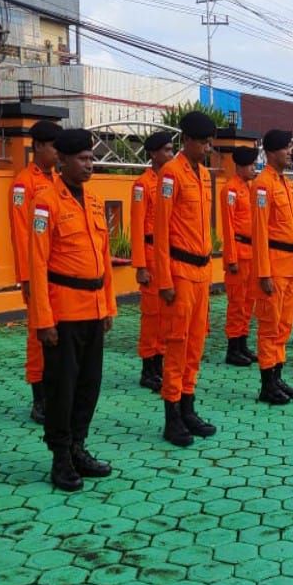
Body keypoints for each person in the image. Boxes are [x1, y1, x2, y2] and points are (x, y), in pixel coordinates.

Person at [27, 128, 114, 491]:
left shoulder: (93, 200)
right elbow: (37, 262)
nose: (89, 165)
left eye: (92, 158)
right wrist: (43, 320)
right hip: (63, 312)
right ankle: (60, 457)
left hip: (93, 309)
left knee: (88, 386)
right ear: (62, 162)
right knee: (62, 389)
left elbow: (105, 258)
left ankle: (79, 446)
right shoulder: (46, 203)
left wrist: (108, 305)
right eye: (81, 159)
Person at [155, 111, 219, 446]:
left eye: (210, 142)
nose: (208, 148)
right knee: (177, 344)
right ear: (188, 141)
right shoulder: (170, 175)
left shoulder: (204, 174)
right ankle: (172, 416)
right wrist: (163, 280)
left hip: (201, 272)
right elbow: (161, 230)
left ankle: (189, 406)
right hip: (178, 272)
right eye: (204, 142)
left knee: (196, 343)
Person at [9, 119, 59, 424]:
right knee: (37, 338)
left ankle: (55, 393)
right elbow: (20, 233)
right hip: (37, 274)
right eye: (53, 146)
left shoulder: (57, 181)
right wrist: (26, 278)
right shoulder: (23, 183)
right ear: (38, 146)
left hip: (60, 274)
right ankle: (39, 400)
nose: (57, 153)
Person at [252, 130, 293, 404]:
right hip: (273, 266)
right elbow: (260, 231)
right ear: (272, 152)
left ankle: (277, 376)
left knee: (283, 326)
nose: (291, 151)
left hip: (290, 265)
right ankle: (267, 384)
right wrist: (263, 272)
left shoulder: (285, 183)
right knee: (270, 326)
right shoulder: (263, 185)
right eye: (287, 147)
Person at [130, 131, 172, 393]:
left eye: (171, 149)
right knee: (151, 316)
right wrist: (140, 266)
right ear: (153, 154)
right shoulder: (141, 185)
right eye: (166, 150)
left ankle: (161, 364)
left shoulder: (170, 181)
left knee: (167, 315)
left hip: (167, 254)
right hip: (150, 252)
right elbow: (136, 225)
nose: (170, 154)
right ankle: (149, 369)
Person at [220, 145, 259, 367]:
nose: (255, 169)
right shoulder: (230, 190)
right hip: (239, 253)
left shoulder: (249, 188)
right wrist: (231, 259)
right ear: (241, 166)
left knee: (248, 303)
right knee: (237, 303)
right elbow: (228, 227)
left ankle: (242, 343)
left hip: (251, 254)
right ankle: (233, 348)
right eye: (252, 165)